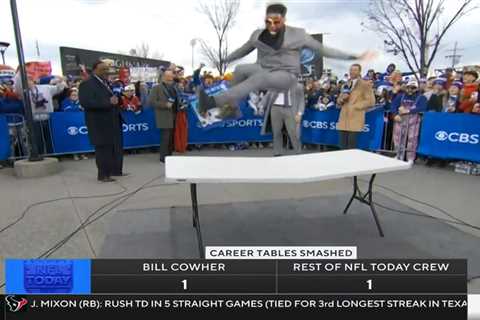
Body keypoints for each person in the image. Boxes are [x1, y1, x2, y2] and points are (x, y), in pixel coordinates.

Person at [197, 3, 375, 119]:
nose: (272, 26)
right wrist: (224, 58)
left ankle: (213, 101)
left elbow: (323, 50)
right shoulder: (258, 34)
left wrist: (354, 56)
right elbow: (244, 49)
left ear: (283, 20)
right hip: (264, 69)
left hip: (286, 75)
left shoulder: (298, 35)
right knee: (241, 69)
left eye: (277, 22)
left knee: (258, 79)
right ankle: (232, 109)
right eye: (269, 22)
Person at [78, 60, 126, 182]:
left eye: (106, 69)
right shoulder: (87, 83)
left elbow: (112, 99)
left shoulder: (106, 83)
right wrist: (108, 102)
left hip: (112, 121)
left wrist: (118, 99)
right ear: (95, 70)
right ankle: (103, 175)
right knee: (103, 149)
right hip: (99, 123)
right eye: (103, 69)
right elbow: (86, 103)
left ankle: (114, 171)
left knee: (112, 148)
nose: (106, 72)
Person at [336, 64, 375, 149]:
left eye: (354, 70)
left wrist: (356, 106)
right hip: (343, 119)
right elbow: (338, 101)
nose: (352, 72)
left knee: (351, 147)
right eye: (351, 70)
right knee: (342, 146)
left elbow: (371, 101)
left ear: (359, 71)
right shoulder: (345, 84)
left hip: (355, 118)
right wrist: (342, 99)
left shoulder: (365, 85)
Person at [261, 83, 304, 156]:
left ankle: (298, 151)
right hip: (275, 108)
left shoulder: (298, 86)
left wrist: (299, 113)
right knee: (276, 131)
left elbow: (301, 100)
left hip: (290, 109)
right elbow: (267, 96)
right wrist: (261, 105)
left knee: (292, 131)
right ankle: (277, 152)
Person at [391, 80, 428, 162]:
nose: (410, 89)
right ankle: (399, 155)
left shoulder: (421, 97)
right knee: (397, 138)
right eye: (408, 87)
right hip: (400, 119)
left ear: (417, 88)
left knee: (412, 139)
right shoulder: (400, 96)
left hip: (413, 121)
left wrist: (409, 111)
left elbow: (422, 107)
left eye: (413, 88)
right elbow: (393, 105)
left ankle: (410, 158)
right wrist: (395, 115)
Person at [148, 70, 179, 163]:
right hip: (163, 115)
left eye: (172, 76)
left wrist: (180, 104)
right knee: (165, 138)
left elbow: (175, 99)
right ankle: (163, 157)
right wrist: (165, 104)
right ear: (164, 76)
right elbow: (152, 102)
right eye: (169, 76)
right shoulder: (156, 88)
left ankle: (169, 156)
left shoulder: (173, 87)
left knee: (170, 138)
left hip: (173, 114)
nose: (171, 77)